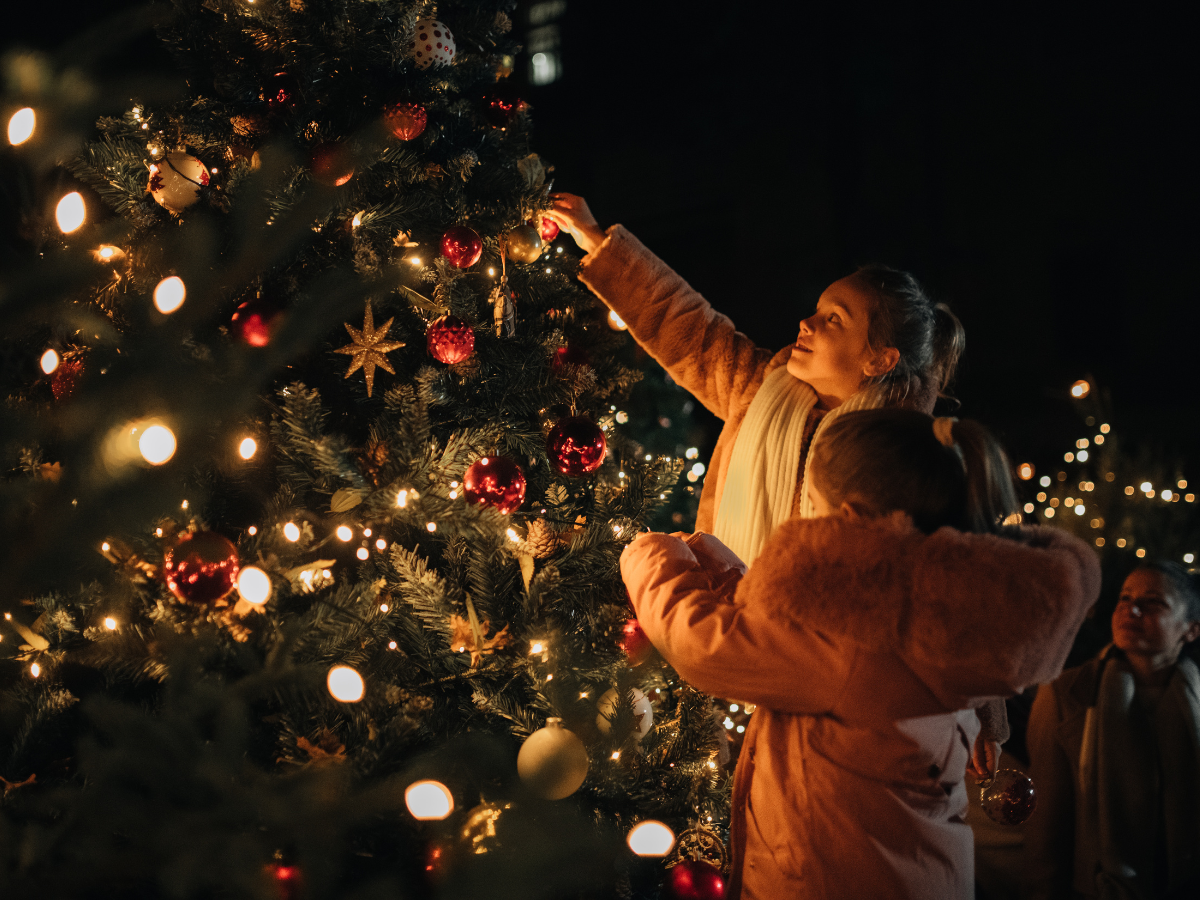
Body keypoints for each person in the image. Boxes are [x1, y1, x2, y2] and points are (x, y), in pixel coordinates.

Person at [547, 194, 1009, 772]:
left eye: (834, 319)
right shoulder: (757, 390)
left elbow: (959, 581)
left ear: (878, 359)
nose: (806, 323)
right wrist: (598, 242)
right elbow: (687, 325)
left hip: (831, 701)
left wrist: (986, 717)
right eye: (817, 310)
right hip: (726, 667)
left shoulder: (909, 456)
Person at [620, 409, 1101, 899]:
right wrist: (717, 564)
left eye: (812, 504)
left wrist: (651, 553)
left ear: (848, 519)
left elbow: (703, 641)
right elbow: (788, 632)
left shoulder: (852, 644)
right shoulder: (935, 609)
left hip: (824, 880)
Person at [1024, 563, 1200, 900]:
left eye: (1153, 603)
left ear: (1190, 629)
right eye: (1125, 597)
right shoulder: (1068, 694)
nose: (1130, 609)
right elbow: (1046, 828)